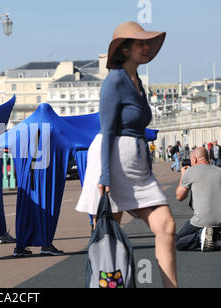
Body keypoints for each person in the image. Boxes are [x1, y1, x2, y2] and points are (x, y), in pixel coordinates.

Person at [76, 21, 178, 288]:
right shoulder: (115, 80)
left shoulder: (137, 81)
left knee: (166, 226)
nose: (146, 48)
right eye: (140, 43)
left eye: (148, 43)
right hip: (112, 159)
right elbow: (107, 129)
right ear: (124, 50)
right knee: (108, 235)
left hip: (137, 165)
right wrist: (105, 174)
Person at [175, 147, 221, 252]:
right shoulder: (219, 170)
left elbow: (179, 197)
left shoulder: (190, 172)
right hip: (219, 221)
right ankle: (214, 238)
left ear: (195, 159)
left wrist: (183, 176)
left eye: (191, 159)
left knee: (178, 242)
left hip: (200, 221)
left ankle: (200, 236)